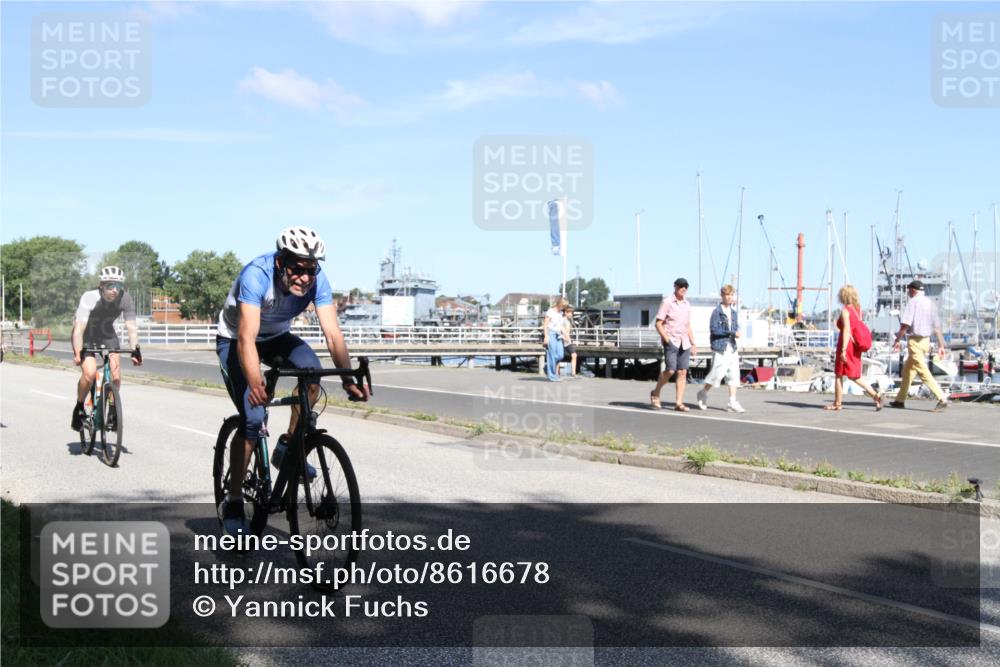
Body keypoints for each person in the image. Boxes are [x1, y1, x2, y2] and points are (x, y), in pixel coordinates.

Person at [216, 227, 367, 536]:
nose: (304, 277)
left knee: (312, 374)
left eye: (310, 270)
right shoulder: (256, 275)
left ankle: (287, 445)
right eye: (297, 269)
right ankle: (232, 500)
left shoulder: (318, 281)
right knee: (254, 418)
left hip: (276, 337)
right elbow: (246, 338)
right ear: (280, 263)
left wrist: (349, 378)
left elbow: (333, 334)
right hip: (235, 340)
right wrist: (255, 380)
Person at [70, 266, 142, 431]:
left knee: (115, 375)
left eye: (118, 286)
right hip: (86, 334)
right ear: (101, 285)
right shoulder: (89, 297)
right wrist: (78, 352)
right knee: (89, 374)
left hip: (107, 334)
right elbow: (78, 330)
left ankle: (112, 409)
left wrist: (135, 349)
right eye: (110, 286)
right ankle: (79, 406)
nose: (115, 290)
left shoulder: (125, 298)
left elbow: (131, 327)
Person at [889, 279, 949, 411]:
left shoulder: (913, 302)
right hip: (926, 341)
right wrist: (941, 346)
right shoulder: (930, 303)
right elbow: (937, 327)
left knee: (922, 371)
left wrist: (897, 339)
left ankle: (942, 398)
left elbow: (905, 324)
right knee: (908, 372)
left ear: (913, 290)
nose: (908, 293)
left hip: (915, 341)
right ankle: (900, 400)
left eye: (909, 290)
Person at [825, 285, 882, 411]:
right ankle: (875, 395)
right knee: (854, 375)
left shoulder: (845, 311)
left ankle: (837, 403)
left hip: (847, 345)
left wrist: (843, 350)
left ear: (843, 296)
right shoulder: (858, 310)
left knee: (839, 374)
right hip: (856, 346)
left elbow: (846, 330)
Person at [650, 278, 697, 411]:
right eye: (681, 286)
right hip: (672, 340)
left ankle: (679, 403)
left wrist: (693, 343)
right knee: (670, 370)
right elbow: (658, 323)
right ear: (675, 286)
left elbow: (688, 325)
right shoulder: (668, 302)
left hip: (684, 342)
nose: (683, 288)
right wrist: (666, 339)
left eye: (686, 286)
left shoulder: (687, 304)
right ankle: (655, 393)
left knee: (682, 372)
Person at [696, 284, 744, 412]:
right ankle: (703, 392)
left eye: (731, 295)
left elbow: (735, 327)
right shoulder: (717, 312)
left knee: (734, 374)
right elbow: (714, 330)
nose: (729, 297)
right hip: (720, 347)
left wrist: (737, 332)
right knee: (717, 374)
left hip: (732, 347)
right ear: (722, 296)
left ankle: (732, 401)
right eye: (727, 295)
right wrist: (731, 333)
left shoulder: (733, 312)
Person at [542, 297, 567, 381]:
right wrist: (546, 336)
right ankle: (552, 376)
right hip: (551, 333)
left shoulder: (560, 313)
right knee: (552, 355)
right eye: (563, 306)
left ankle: (547, 366)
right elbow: (545, 324)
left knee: (560, 355)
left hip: (558, 334)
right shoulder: (550, 311)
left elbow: (561, 325)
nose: (564, 308)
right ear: (560, 304)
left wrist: (566, 335)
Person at [559, 304, 577, 377]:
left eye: (572, 313)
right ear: (565, 312)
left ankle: (573, 372)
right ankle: (557, 373)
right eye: (569, 313)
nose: (571, 314)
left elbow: (568, 331)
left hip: (568, 341)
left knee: (574, 355)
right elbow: (560, 329)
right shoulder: (562, 319)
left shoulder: (569, 321)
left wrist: (569, 339)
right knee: (559, 357)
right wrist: (564, 336)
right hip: (561, 340)